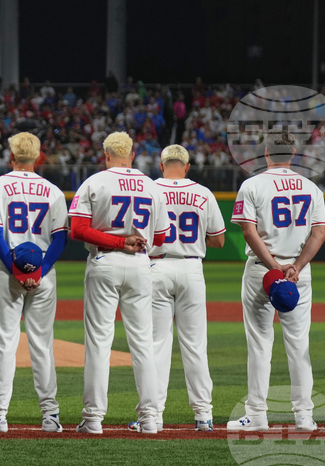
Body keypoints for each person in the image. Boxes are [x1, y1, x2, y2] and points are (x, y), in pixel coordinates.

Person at [69, 131, 168, 435]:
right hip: (141, 264)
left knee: (99, 342)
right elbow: (161, 239)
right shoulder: (152, 187)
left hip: (105, 261)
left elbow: (77, 229)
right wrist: (133, 242)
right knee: (143, 343)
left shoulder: (95, 182)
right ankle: (150, 418)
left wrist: (116, 241)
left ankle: (93, 419)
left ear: (107, 155)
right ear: (132, 154)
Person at [228, 130, 325, 431]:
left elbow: (248, 231)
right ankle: (305, 416)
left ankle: (257, 415)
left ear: (266, 153)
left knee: (260, 344)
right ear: (293, 154)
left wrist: (275, 267)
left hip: (262, 271)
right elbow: (320, 233)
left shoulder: (252, 184)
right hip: (299, 275)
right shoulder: (312, 188)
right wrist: (295, 267)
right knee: (299, 345)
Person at [127, 144, 225, 433]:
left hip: (155, 267)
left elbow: (136, 233)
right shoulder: (202, 192)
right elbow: (219, 240)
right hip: (191, 266)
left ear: (161, 165)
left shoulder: (147, 189)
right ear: (186, 166)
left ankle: (153, 416)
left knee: (157, 344)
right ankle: (204, 416)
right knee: (195, 346)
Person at [0, 132, 69, 433]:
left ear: (11, 156)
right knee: (42, 344)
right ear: (38, 156)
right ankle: (50, 415)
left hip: (7, 271)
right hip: (44, 272)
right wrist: (39, 271)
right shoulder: (53, 190)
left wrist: (17, 271)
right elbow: (60, 238)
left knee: (4, 344)